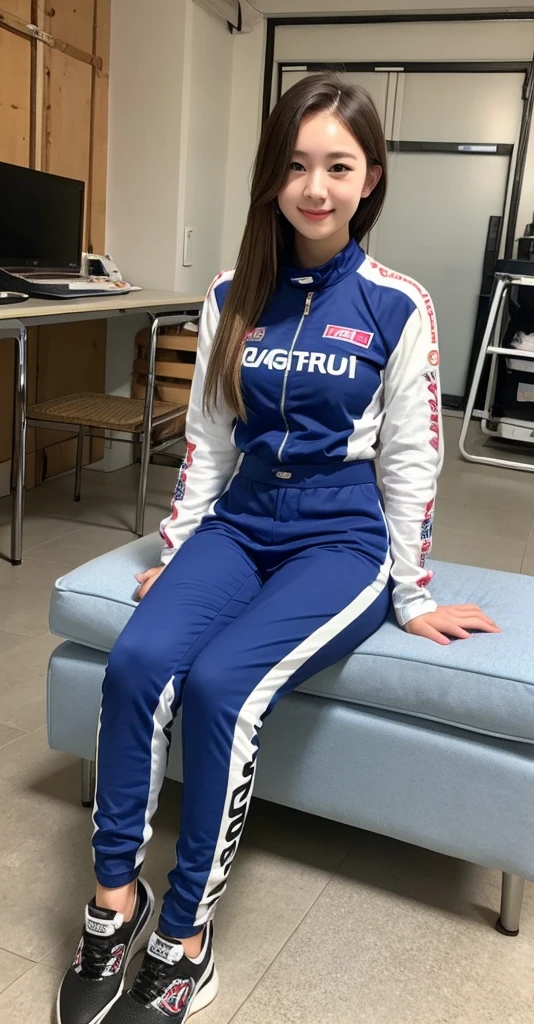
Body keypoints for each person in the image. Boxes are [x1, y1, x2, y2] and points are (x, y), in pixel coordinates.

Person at [57, 74, 499, 1024]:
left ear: (370, 178)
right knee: (135, 661)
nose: (315, 187)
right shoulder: (232, 294)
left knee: (223, 685)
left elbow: (415, 461)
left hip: (339, 539)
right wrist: (177, 550)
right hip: (242, 522)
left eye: (338, 166)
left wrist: (412, 592)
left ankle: (183, 942)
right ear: (272, 178)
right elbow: (210, 441)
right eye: (297, 165)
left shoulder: (398, 305)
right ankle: (112, 905)